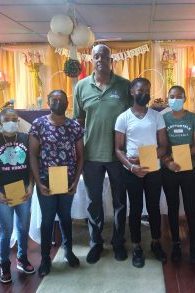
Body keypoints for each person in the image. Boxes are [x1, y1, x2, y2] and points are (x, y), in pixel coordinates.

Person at [73, 44, 131, 264]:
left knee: (119, 201)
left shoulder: (124, 86)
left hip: (119, 156)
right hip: (91, 156)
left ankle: (118, 243)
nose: (99, 59)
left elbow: (133, 119)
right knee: (93, 202)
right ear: (91, 60)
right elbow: (78, 122)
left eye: (103, 56)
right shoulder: (81, 86)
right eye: (95, 56)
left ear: (110, 59)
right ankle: (95, 243)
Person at [29, 90, 84, 277]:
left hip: (67, 180)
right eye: (54, 99)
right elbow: (33, 155)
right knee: (47, 219)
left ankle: (68, 251)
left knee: (66, 217)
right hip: (46, 180)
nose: (58, 102)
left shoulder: (74, 126)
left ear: (67, 103)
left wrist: (76, 181)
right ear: (48, 102)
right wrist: (38, 182)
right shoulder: (39, 124)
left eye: (62, 100)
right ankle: (45, 258)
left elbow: (81, 156)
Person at [114, 77, 168, 267]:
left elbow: (163, 146)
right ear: (131, 91)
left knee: (154, 207)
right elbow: (118, 149)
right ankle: (136, 246)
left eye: (147, 90)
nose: (144, 93)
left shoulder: (157, 116)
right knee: (135, 208)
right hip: (131, 170)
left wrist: (148, 158)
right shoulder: (123, 118)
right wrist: (132, 167)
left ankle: (156, 242)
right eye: (140, 90)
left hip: (153, 168)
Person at [0, 108, 35, 283]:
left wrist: (31, 186)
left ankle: (22, 258)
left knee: (23, 227)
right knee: (6, 231)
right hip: (3, 192)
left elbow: (31, 165)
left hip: (23, 191)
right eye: (7, 119)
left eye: (14, 119)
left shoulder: (26, 139)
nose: (11, 122)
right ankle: (4, 264)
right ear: (0, 122)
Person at [161, 85, 195, 264]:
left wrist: (178, 157)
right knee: (172, 207)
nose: (175, 99)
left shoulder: (193, 118)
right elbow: (160, 145)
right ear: (167, 98)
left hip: (189, 169)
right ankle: (176, 244)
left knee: (191, 209)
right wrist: (168, 162)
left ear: (185, 98)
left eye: (179, 96)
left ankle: (193, 247)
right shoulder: (162, 118)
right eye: (172, 96)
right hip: (169, 169)